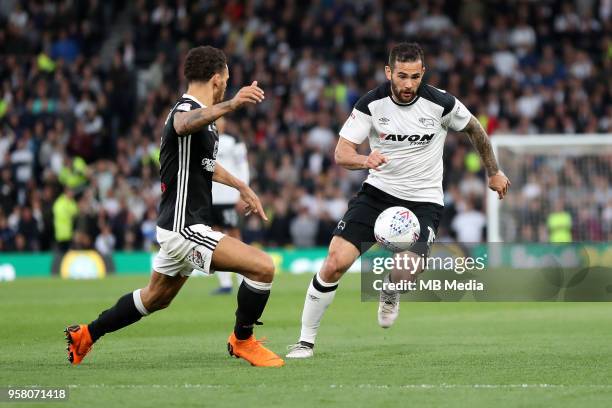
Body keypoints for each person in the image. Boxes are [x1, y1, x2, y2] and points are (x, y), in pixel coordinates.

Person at [286, 43, 510, 359]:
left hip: (423, 201)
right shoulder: (371, 104)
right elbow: (342, 152)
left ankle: (390, 288)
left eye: (415, 77)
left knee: (407, 269)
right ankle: (304, 341)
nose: (408, 84)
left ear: (423, 74)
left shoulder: (441, 103)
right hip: (377, 194)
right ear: (389, 72)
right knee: (334, 263)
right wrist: (366, 160)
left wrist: (494, 171)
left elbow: (475, 129)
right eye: (402, 76)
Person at [65, 46, 284, 367]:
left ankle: (85, 334)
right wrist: (232, 104)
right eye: (226, 80)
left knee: (156, 298)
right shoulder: (186, 109)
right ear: (216, 79)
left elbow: (205, 165)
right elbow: (181, 124)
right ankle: (242, 340)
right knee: (263, 267)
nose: (227, 85)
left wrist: (241, 186)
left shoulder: (206, 121)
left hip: (177, 225)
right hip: (185, 228)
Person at [210, 117, 249, 294]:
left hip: (229, 197)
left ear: (225, 124)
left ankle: (243, 279)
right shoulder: (205, 141)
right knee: (214, 239)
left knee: (234, 236)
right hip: (209, 198)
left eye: (220, 121)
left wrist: (243, 192)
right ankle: (225, 283)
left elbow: (244, 167)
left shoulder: (234, 142)